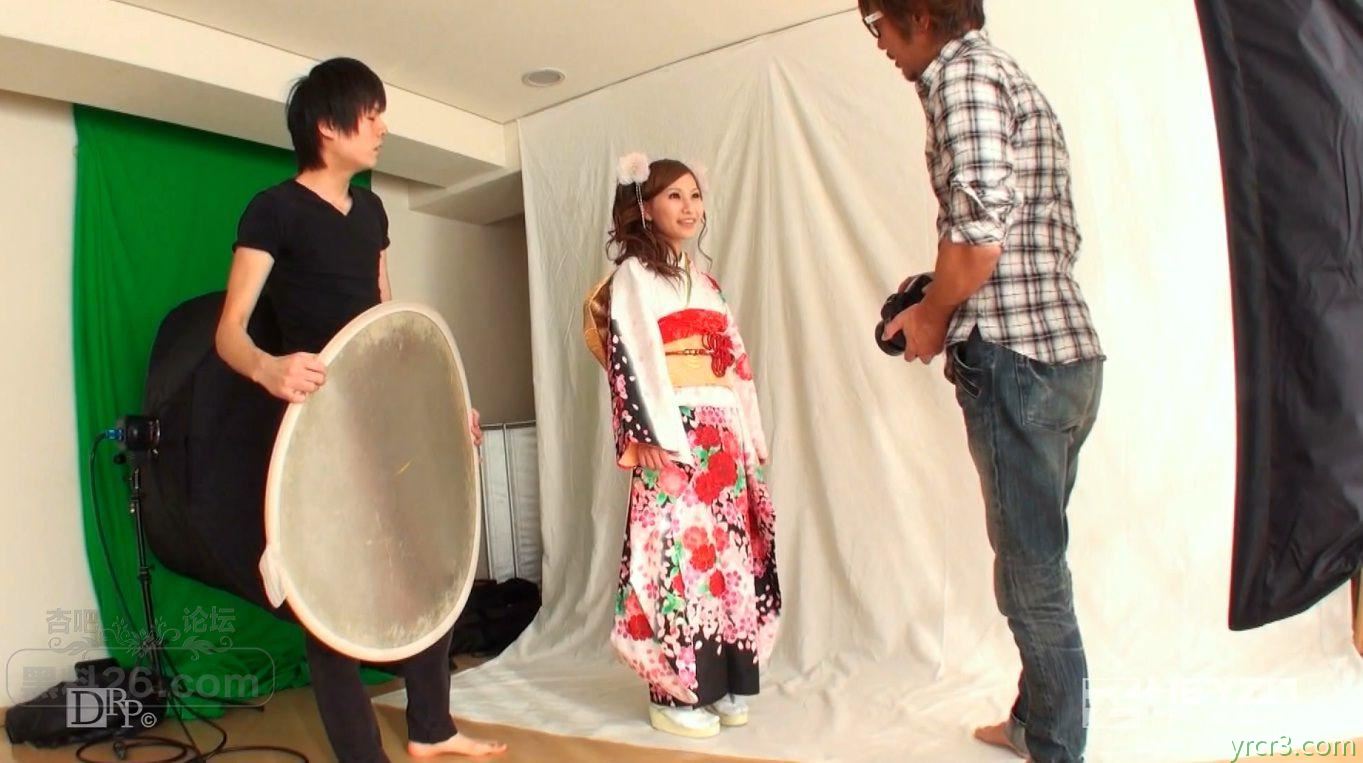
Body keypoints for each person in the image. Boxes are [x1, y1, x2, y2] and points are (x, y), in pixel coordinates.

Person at [214, 57, 505, 762]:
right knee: (332, 584)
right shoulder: (273, 210)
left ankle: (431, 728)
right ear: (326, 125)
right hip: (317, 425)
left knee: (428, 558)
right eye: (370, 115)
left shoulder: (371, 211)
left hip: (384, 420)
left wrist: (443, 406)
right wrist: (269, 367)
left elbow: (389, 323)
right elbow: (228, 332)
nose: (381, 128)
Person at [862, 2, 1105, 760]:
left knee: (1031, 576)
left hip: (1018, 360)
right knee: (1037, 558)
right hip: (1064, 353)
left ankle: (1058, 745)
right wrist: (929, 297)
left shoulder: (961, 78)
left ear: (919, 15)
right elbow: (1021, 234)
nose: (880, 44)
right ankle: (1035, 718)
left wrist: (934, 315)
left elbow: (976, 238)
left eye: (878, 23)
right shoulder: (1006, 75)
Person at [590, 154, 781, 738]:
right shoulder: (633, 277)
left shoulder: (709, 285)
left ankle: (722, 681)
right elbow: (629, 354)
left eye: (695, 195)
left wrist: (747, 433)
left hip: (721, 432)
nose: (689, 207)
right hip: (671, 435)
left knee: (728, 561)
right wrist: (646, 432)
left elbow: (734, 361)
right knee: (677, 561)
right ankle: (672, 693)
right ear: (645, 207)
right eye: (674, 195)